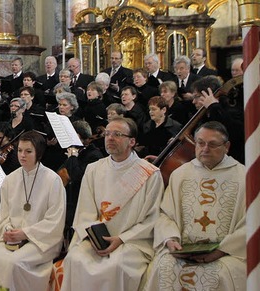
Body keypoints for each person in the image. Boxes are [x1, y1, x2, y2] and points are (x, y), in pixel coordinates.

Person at [60, 117, 164, 291]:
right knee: (74, 259)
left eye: (117, 134)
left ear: (132, 141)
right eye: (107, 134)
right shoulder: (94, 169)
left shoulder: (150, 174)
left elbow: (152, 218)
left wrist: (121, 239)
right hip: (95, 238)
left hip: (131, 242)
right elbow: (85, 211)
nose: (110, 138)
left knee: (116, 267)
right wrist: (93, 237)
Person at [143, 121, 246, 291]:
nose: (205, 149)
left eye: (212, 144)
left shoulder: (244, 178)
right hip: (183, 250)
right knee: (164, 267)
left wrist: (222, 250)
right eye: (200, 143)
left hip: (226, 253)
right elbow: (166, 215)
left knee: (218, 275)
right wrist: (170, 240)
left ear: (227, 146)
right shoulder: (181, 174)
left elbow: (252, 223)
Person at [0, 130, 66, 291]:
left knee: (14, 262)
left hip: (41, 240)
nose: (22, 155)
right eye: (19, 150)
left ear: (39, 153)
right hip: (12, 237)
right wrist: (7, 231)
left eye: (28, 151)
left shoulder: (53, 181)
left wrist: (25, 233)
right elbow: (3, 214)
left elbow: (54, 221)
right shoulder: (10, 179)